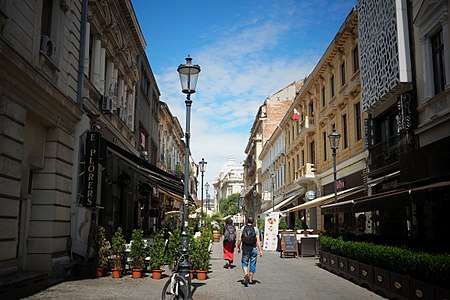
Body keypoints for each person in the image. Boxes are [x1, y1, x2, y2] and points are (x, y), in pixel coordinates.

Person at [237, 216, 262, 287]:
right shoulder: (256, 229)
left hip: (245, 247)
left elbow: (239, 239)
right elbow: (258, 241)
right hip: (253, 248)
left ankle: (246, 274)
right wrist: (260, 250)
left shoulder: (243, 228)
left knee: (244, 262)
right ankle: (250, 280)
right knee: (253, 263)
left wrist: (238, 247)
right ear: (253, 221)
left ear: (246, 221)